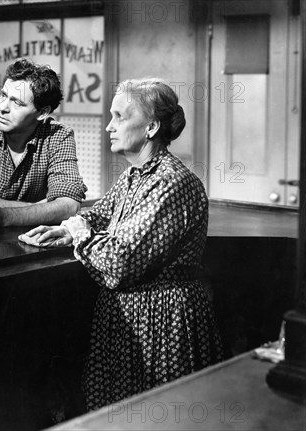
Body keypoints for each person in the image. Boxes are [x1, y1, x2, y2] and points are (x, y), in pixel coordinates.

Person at [20, 78, 223, 410]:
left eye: (119, 117)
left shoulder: (171, 183)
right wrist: (72, 229)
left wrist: (80, 233)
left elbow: (120, 262)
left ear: (152, 126)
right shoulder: (135, 175)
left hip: (162, 323)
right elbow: (100, 214)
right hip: (128, 319)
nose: (108, 127)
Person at [0, 58, 87, 227]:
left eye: (17, 102)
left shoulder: (59, 136)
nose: (3, 107)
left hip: (26, 235)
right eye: (3, 95)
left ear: (42, 112)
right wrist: (42, 208)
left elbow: (69, 207)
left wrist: (6, 216)